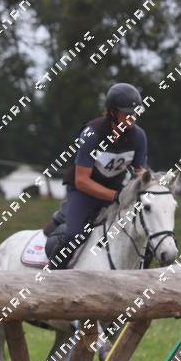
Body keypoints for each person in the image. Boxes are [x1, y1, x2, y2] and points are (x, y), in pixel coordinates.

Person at [50, 82, 149, 269]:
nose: (133, 117)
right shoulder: (92, 134)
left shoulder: (139, 137)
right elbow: (82, 181)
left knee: (145, 235)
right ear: (112, 113)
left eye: (135, 112)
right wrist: (116, 196)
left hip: (115, 189)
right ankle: (51, 275)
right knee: (73, 235)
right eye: (127, 113)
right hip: (83, 192)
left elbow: (140, 173)